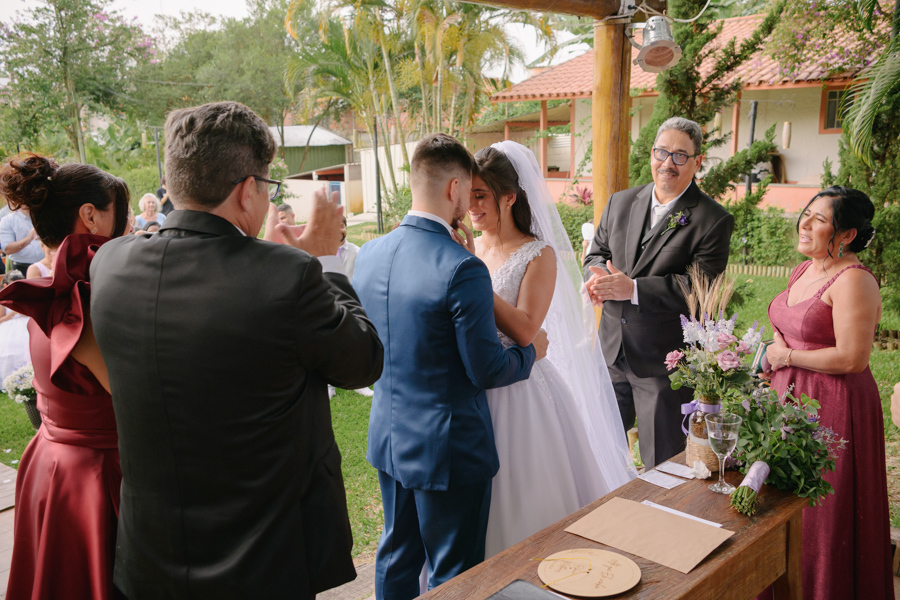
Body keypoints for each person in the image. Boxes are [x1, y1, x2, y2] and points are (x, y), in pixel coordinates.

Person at [89, 101, 384, 600]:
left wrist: (278, 258)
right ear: (248, 190)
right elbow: (362, 362)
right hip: (259, 561)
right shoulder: (288, 276)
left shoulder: (111, 263)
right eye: (267, 188)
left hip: (150, 558)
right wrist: (326, 259)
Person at [353, 133, 545, 600]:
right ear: (455, 189)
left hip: (390, 437)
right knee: (454, 576)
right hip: (448, 449)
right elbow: (487, 369)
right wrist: (531, 353)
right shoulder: (461, 267)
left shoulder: (369, 254)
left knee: (396, 558)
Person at [465, 141, 636, 557]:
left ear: (509, 197)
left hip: (521, 391)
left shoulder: (538, 253)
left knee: (526, 502)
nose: (471, 205)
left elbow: (526, 330)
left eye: (481, 195)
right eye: (467, 194)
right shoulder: (469, 244)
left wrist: (469, 276)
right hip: (472, 385)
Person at [0, 152, 130, 600]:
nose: (128, 229)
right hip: (92, 476)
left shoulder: (48, 287)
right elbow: (133, 394)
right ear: (90, 216)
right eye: (121, 216)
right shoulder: (81, 299)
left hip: (52, 464)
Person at [583, 116, 734, 469]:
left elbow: (701, 286)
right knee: (596, 455)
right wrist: (599, 278)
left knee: (661, 464)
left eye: (680, 156)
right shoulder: (621, 202)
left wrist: (633, 288)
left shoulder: (712, 220)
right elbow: (596, 252)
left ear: (697, 162)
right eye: (661, 152)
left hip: (662, 364)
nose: (668, 163)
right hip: (609, 352)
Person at [765, 186, 891, 600]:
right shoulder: (805, 270)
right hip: (790, 397)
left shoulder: (854, 280)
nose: (805, 223)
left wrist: (786, 359)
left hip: (834, 406)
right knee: (783, 501)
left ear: (848, 233)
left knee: (824, 511)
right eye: (806, 214)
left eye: (819, 220)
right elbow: (789, 331)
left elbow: (853, 359)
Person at [0, 270, 30, 386]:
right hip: (9, 325)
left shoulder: (26, 297)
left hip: (26, 322)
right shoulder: (3, 300)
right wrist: (12, 314)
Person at [0, 204, 44, 275]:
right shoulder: (8, 220)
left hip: (45, 265)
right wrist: (29, 237)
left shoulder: (45, 217)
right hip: (21, 267)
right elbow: (8, 249)